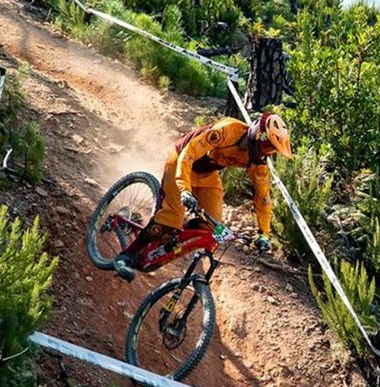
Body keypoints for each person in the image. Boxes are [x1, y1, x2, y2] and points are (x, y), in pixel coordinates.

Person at [114, 112, 292, 276]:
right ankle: (127, 255)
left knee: (212, 228)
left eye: (272, 150)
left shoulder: (259, 162)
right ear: (258, 135)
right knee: (170, 218)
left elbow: (263, 198)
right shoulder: (226, 131)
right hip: (181, 162)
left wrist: (264, 234)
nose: (267, 152)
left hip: (207, 175)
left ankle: (171, 236)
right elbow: (188, 154)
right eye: (268, 146)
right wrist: (184, 190)